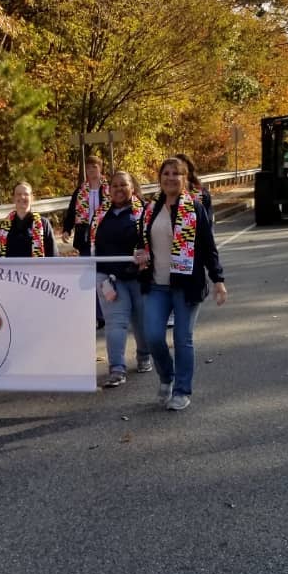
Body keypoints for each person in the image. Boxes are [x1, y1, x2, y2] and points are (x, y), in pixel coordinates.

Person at [134, 157, 227, 411]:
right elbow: (142, 242)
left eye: (176, 173)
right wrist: (140, 253)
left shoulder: (194, 208)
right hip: (156, 284)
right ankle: (167, 377)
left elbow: (209, 247)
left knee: (183, 338)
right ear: (160, 177)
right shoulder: (150, 209)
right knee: (153, 337)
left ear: (184, 178)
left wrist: (218, 279)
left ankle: (182, 390)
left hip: (186, 285)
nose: (170, 177)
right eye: (166, 173)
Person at [91, 170, 151, 386]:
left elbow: (154, 241)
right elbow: (89, 244)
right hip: (108, 276)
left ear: (132, 188)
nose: (118, 189)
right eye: (114, 185)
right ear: (109, 189)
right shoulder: (100, 215)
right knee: (116, 323)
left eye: (123, 185)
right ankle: (116, 368)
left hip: (138, 276)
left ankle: (144, 356)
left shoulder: (144, 212)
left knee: (142, 322)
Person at [62, 155, 110, 328]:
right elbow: (71, 211)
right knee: (89, 277)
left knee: (103, 276)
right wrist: (67, 229)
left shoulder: (109, 189)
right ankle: (95, 315)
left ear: (100, 168)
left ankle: (106, 312)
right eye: (89, 168)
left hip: (105, 237)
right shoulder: (81, 190)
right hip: (84, 238)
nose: (92, 171)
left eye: (94, 167)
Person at [0, 181, 57, 257]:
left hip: (36, 268)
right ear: (13, 198)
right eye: (18, 194)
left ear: (32, 198)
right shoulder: (4, 226)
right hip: (11, 269)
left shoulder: (43, 224)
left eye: (26, 194)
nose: (22, 197)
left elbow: (53, 255)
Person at [175, 153, 213, 224]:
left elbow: (208, 222)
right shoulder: (162, 198)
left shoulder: (201, 194)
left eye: (178, 173)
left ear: (188, 173)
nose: (172, 177)